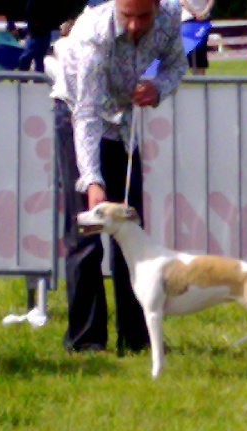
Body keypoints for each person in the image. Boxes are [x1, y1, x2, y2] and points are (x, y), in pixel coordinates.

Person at [51, 0, 187, 353]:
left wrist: (158, 87)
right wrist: (92, 180)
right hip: (78, 117)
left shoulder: (171, 17)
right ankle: (87, 341)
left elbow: (176, 64)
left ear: (158, 7)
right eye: (127, 15)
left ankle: (138, 338)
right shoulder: (93, 36)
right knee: (87, 234)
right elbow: (87, 115)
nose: (134, 25)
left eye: (143, 16)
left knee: (131, 233)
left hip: (123, 124)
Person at [17, 0, 67, 72]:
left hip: (44, 34)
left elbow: (56, 14)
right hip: (33, 33)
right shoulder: (33, 2)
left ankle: (38, 80)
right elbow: (27, 14)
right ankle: (22, 77)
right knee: (26, 57)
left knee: (39, 59)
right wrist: (34, 24)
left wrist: (49, 24)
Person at [180, 0, 214, 74]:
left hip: (203, 20)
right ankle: (195, 75)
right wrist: (195, 13)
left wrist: (204, 12)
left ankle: (200, 77)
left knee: (200, 49)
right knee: (191, 50)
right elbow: (182, 1)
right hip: (188, 20)